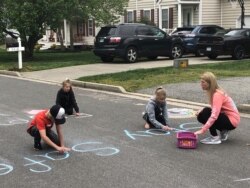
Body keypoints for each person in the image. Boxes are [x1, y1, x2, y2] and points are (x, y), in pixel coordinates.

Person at [194, 72, 240, 144]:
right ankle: (224, 130)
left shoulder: (217, 95)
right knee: (201, 115)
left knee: (206, 112)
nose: (201, 84)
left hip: (232, 121)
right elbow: (215, 108)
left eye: (203, 82)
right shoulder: (215, 92)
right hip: (230, 119)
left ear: (209, 83)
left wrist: (202, 130)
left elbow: (214, 115)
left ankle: (215, 137)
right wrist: (201, 110)